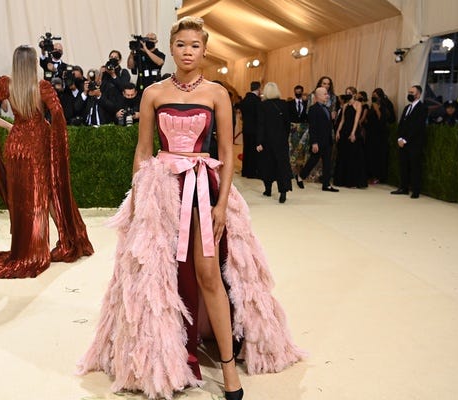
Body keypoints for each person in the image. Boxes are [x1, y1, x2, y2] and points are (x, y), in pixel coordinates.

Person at [77, 17, 304, 400]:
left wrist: (220, 204)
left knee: (208, 270)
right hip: (162, 189)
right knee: (159, 274)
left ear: (204, 50)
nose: (187, 51)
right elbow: (143, 150)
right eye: (181, 44)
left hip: (202, 187)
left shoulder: (217, 93)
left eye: (195, 46)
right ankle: (164, 356)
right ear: (172, 46)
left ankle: (229, 370)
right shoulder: (153, 92)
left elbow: (229, 155)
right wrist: (137, 198)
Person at [0, 45, 94, 278]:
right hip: (37, 147)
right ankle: (63, 241)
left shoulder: (6, 85)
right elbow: (59, 113)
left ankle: (24, 248)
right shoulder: (42, 87)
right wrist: (54, 136)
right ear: (33, 64)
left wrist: (11, 126)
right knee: (46, 194)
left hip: (15, 147)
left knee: (22, 200)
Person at [296, 86, 339, 192]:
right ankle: (300, 176)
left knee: (327, 163)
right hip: (318, 141)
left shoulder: (327, 109)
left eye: (327, 94)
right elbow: (313, 127)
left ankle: (326, 185)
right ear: (318, 96)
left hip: (327, 140)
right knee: (313, 161)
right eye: (325, 94)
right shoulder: (313, 109)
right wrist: (314, 142)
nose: (327, 96)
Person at [256, 82, 293, 203]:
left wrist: (259, 141)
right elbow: (287, 124)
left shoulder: (263, 106)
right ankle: (283, 192)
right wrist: (285, 137)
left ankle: (268, 189)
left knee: (268, 165)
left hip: (267, 141)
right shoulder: (284, 104)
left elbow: (261, 125)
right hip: (281, 140)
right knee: (282, 166)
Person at [391, 84, 428, 199]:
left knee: (414, 167)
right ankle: (404, 187)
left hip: (414, 143)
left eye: (412, 92)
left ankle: (415, 190)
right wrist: (400, 138)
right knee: (403, 165)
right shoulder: (407, 108)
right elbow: (402, 124)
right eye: (409, 92)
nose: (410, 94)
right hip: (403, 143)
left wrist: (406, 139)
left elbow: (417, 127)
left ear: (418, 94)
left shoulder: (422, 108)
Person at [334, 86, 367, 188]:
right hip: (344, 131)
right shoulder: (345, 105)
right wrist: (338, 131)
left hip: (353, 130)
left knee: (353, 155)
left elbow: (357, 120)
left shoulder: (358, 104)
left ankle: (353, 181)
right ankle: (342, 180)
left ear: (354, 94)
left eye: (349, 92)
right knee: (343, 155)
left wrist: (353, 133)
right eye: (346, 92)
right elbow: (342, 120)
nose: (347, 94)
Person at [238, 81, 261, 178]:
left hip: (246, 128)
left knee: (246, 150)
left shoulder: (244, 100)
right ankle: (252, 172)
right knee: (253, 151)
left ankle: (245, 171)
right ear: (259, 89)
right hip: (255, 129)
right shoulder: (257, 101)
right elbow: (259, 116)